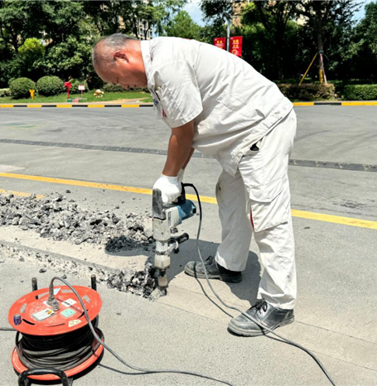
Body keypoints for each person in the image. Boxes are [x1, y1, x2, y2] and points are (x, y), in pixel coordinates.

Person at [92, 34, 297, 336]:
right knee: (228, 196)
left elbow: (183, 131)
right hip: (241, 139)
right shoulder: (158, 70)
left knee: (267, 214)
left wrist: (170, 177)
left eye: (117, 78)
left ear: (122, 57)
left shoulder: (167, 65)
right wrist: (175, 176)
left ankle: (279, 303)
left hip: (262, 129)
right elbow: (185, 124)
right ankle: (230, 265)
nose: (122, 86)